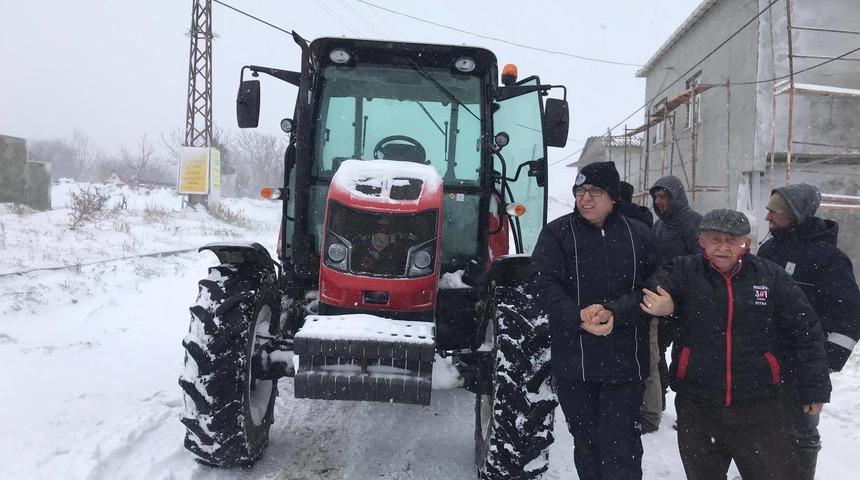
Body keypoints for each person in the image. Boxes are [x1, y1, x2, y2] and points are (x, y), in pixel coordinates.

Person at [641, 208, 831, 480]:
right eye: (715, 239)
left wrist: (815, 387)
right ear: (701, 240)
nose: (723, 247)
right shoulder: (683, 270)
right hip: (698, 405)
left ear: (746, 244)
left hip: (758, 405)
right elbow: (650, 291)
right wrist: (667, 304)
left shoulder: (770, 277)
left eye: (732, 240)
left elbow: (806, 329)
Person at [528, 161, 653, 480]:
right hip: (575, 363)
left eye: (595, 191)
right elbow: (543, 283)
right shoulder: (557, 233)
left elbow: (655, 284)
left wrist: (616, 310)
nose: (585, 198)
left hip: (626, 363)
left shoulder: (638, 235)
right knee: (587, 444)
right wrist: (576, 316)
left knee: (621, 445)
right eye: (580, 191)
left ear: (612, 197)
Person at [758, 183, 860, 479]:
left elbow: (850, 314)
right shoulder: (770, 247)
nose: (767, 216)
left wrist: (826, 360)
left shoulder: (828, 258)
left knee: (800, 431)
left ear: (796, 214)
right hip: (763, 358)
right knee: (763, 425)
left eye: (774, 211)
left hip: (803, 362)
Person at [643, 175, 703, 432]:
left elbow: (700, 263)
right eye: (656, 197)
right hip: (662, 301)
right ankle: (659, 401)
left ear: (676, 196)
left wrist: (689, 294)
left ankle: (692, 413)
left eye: (664, 197)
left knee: (688, 359)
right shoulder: (659, 225)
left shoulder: (693, 223)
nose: (660, 201)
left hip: (688, 303)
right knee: (656, 352)